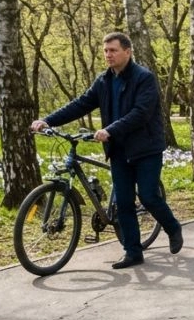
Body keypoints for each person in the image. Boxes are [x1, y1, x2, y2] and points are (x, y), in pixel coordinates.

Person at [30, 32, 182, 269]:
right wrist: (48, 120)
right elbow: (81, 104)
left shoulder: (144, 78)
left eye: (113, 50)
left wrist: (110, 129)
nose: (108, 55)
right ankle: (133, 252)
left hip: (145, 148)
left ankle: (172, 227)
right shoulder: (104, 80)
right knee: (123, 203)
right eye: (105, 51)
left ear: (127, 52)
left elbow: (141, 113)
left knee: (149, 196)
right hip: (119, 150)